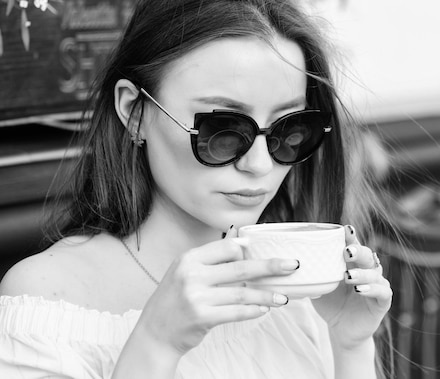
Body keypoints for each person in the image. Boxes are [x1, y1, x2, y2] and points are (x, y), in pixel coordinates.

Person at [0, 0, 394, 378]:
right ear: (133, 112)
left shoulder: (298, 287)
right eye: (222, 130)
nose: (259, 165)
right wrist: (155, 343)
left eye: (289, 130)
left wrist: (351, 344)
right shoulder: (48, 298)